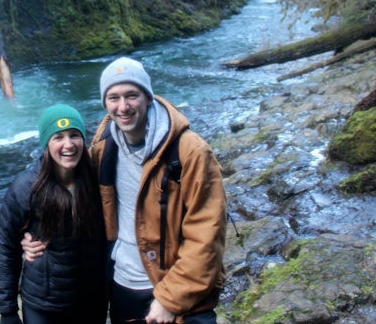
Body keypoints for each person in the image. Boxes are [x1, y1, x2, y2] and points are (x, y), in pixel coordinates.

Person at [23, 57, 227, 324]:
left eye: (132, 95)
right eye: (113, 98)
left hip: (176, 289)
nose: (123, 107)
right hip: (123, 287)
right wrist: (33, 238)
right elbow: (63, 185)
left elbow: (207, 235)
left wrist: (170, 299)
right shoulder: (102, 148)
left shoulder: (190, 152)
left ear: (148, 97)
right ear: (105, 104)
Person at [0, 104, 108, 324]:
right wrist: (7, 310)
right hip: (44, 303)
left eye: (74, 135)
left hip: (91, 299)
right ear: (46, 143)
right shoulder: (25, 187)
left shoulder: (98, 179)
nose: (69, 144)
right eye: (58, 137)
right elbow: (6, 248)